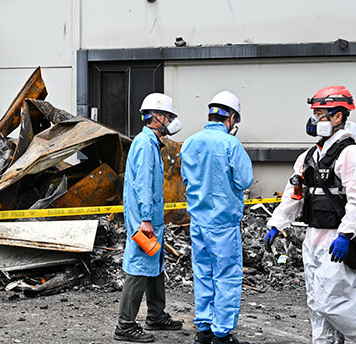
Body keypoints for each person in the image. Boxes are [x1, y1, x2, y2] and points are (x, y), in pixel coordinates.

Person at [264, 85, 356, 343]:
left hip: (336, 239)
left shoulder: (349, 153)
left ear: (338, 116)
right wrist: (277, 224)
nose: (315, 119)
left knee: (332, 301)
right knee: (316, 303)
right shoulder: (309, 156)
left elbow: (355, 198)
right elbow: (294, 194)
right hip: (313, 237)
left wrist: (347, 234)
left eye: (320, 113)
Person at [180, 91, 254, 344]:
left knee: (202, 273)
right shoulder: (231, 145)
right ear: (231, 118)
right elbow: (244, 180)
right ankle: (222, 333)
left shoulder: (190, 142)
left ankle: (204, 329)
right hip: (223, 223)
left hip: (198, 222)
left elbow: (186, 180)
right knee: (226, 276)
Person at [114, 93, 184, 343]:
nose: (169, 121)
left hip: (150, 217)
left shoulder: (152, 143)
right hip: (144, 218)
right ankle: (125, 325)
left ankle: (155, 315)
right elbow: (143, 183)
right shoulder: (144, 144)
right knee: (139, 269)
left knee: (155, 264)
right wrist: (145, 219)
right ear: (155, 117)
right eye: (167, 116)